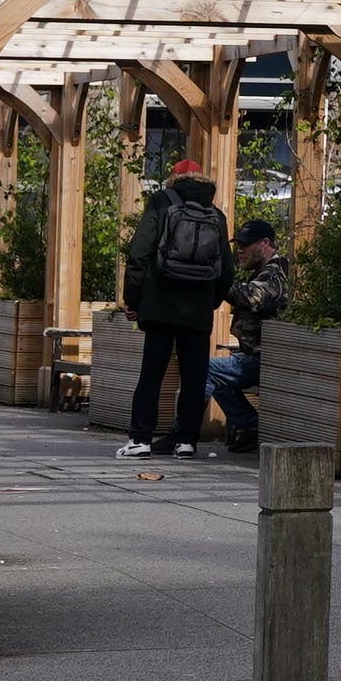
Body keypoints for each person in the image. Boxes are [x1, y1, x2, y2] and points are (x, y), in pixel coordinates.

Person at [120, 160, 233, 460]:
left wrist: (133, 301)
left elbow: (139, 254)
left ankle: (141, 439)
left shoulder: (160, 202)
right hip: (197, 311)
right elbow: (227, 271)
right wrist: (209, 302)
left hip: (159, 306)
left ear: (174, 179)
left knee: (151, 374)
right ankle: (186, 441)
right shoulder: (216, 215)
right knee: (194, 376)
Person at [208, 219, 288, 456]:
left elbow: (253, 297)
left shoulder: (275, 273)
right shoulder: (263, 271)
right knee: (212, 374)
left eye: (246, 244)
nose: (240, 250)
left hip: (264, 359)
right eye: (238, 245)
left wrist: (218, 280)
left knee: (204, 370)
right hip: (254, 356)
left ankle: (188, 432)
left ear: (265, 244)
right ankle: (250, 426)